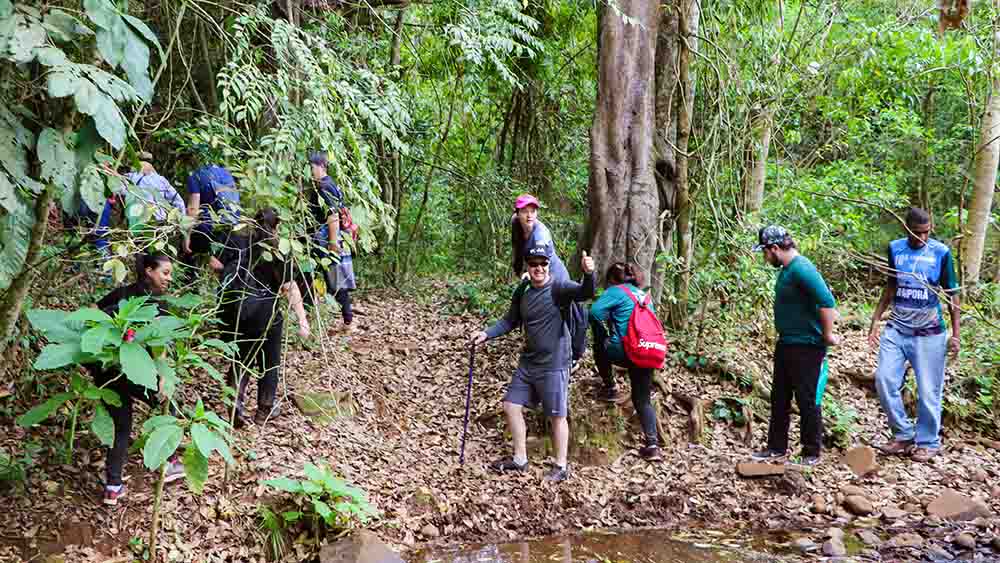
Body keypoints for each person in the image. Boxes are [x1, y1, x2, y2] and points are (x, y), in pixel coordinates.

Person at [471, 247, 596, 483]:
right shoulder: (524, 290)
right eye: (533, 263)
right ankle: (520, 459)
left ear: (549, 264)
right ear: (527, 265)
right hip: (529, 361)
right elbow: (510, 320)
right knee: (510, 405)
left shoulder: (559, 287)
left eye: (543, 263)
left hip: (555, 362)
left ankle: (560, 466)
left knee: (557, 415)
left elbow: (585, 293)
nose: (539, 268)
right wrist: (486, 334)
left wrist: (589, 273)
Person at [868, 208, 960, 463]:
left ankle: (928, 441)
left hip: (929, 332)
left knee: (929, 390)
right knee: (884, 380)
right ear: (907, 229)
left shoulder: (940, 252)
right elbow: (891, 285)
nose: (923, 237)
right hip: (897, 328)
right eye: (918, 232)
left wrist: (956, 334)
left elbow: (952, 294)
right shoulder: (895, 249)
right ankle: (903, 434)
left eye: (927, 232)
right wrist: (876, 319)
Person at [91, 253, 184, 505]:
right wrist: (162, 376)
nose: (169, 278)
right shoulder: (154, 303)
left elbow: (91, 313)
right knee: (168, 406)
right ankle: (172, 460)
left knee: (121, 426)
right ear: (149, 271)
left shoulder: (122, 294)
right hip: (129, 371)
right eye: (165, 272)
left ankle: (113, 486)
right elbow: (159, 344)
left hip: (106, 372)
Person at [750, 226, 840, 466]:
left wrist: (828, 334)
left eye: (765, 253)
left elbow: (827, 302)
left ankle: (811, 452)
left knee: (807, 398)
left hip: (807, 346)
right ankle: (775, 447)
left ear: (775, 249)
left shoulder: (802, 269)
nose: (764, 258)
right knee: (779, 397)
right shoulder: (787, 270)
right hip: (787, 343)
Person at [218, 208, 311, 428]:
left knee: (240, 359)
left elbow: (215, 263)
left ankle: (235, 405)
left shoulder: (238, 241)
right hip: (265, 312)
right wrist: (302, 320)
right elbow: (289, 287)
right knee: (269, 363)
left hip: (236, 311)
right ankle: (264, 410)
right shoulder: (277, 250)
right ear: (277, 225)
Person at [589, 262, 662, 461]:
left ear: (611, 280)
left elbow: (594, 313)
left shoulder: (616, 291)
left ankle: (610, 387)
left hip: (625, 351)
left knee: (599, 344)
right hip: (648, 351)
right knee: (642, 399)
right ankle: (653, 445)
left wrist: (606, 333)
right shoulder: (644, 296)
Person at [510, 194, 587, 372]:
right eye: (524, 211)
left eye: (533, 211)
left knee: (566, 315)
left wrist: (530, 274)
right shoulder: (515, 222)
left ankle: (572, 356)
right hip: (536, 274)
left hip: (555, 275)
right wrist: (521, 269)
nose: (529, 215)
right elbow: (518, 247)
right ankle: (540, 346)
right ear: (517, 212)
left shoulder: (540, 234)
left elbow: (539, 259)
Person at [306, 151, 356, 332]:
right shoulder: (327, 183)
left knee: (334, 278)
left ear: (321, 166)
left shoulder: (325, 187)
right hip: (325, 237)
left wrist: (333, 243)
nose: (309, 171)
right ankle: (344, 319)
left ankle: (347, 320)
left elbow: (333, 215)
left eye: (311, 167)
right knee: (331, 278)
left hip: (326, 238)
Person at [183, 163, 241, 272]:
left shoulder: (196, 175)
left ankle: (207, 262)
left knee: (189, 251)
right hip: (232, 226)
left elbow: (192, 209)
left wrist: (186, 237)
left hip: (209, 227)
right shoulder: (226, 173)